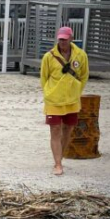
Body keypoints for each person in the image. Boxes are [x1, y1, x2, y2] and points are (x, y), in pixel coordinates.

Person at [40, 26, 89, 176]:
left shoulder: (81, 55)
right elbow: (43, 77)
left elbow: (84, 75)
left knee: (68, 130)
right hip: (54, 100)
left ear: (71, 39)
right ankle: (58, 164)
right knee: (55, 130)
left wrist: (77, 91)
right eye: (60, 39)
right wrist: (48, 93)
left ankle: (59, 158)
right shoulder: (49, 56)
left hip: (72, 100)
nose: (62, 41)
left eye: (64, 39)